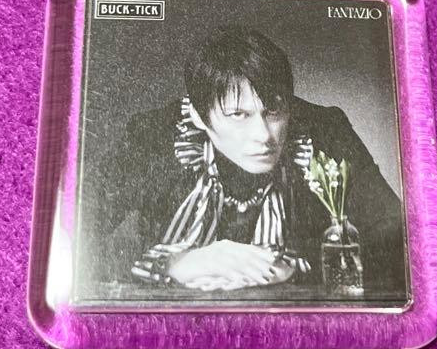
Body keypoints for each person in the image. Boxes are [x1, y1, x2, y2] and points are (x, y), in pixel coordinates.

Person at [80, 26, 407, 296]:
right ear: (198, 116)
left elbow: (397, 240)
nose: (263, 135)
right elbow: (74, 235)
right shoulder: (152, 136)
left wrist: (294, 265)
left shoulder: (326, 130)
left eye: (273, 111)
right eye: (238, 115)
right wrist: (175, 263)